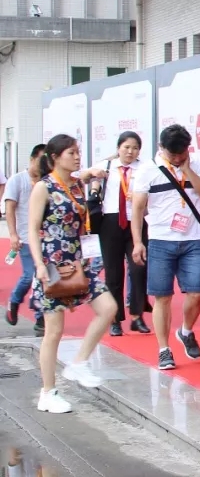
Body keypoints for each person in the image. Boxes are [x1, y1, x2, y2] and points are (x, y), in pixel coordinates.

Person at [27, 134, 116, 413]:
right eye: (71, 153)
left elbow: (89, 175)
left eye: (78, 152)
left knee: (109, 308)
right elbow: (32, 229)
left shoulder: (77, 184)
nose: (77, 157)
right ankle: (48, 392)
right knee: (54, 331)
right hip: (52, 265)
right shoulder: (43, 187)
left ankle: (79, 363)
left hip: (79, 263)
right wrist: (39, 265)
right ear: (55, 157)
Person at [130, 125, 200, 370]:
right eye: (173, 154)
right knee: (162, 297)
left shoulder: (197, 162)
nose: (177, 158)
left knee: (196, 293)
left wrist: (187, 170)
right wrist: (138, 242)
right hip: (160, 240)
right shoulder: (147, 169)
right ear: (161, 148)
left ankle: (186, 331)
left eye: (182, 153)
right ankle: (163, 350)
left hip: (194, 239)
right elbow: (137, 208)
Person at [93, 132, 150, 337]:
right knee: (113, 273)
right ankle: (115, 319)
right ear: (118, 148)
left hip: (136, 221)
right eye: (126, 147)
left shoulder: (145, 168)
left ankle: (137, 316)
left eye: (135, 148)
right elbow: (82, 175)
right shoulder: (107, 166)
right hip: (111, 222)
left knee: (138, 269)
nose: (130, 152)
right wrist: (94, 176)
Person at [5, 144, 47, 333]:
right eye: (41, 160)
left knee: (45, 278)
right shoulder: (17, 180)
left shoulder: (47, 181)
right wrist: (13, 234)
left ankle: (40, 318)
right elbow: (10, 208)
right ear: (32, 159)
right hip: (25, 237)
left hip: (46, 239)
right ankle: (14, 301)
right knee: (31, 275)